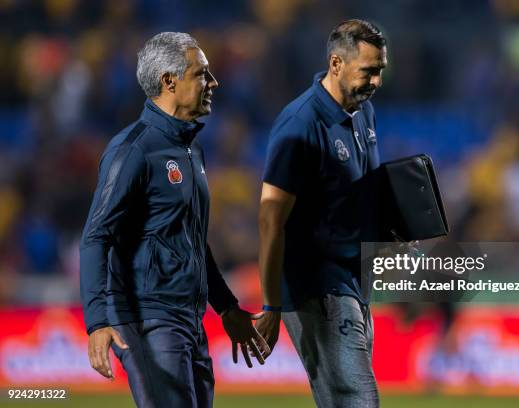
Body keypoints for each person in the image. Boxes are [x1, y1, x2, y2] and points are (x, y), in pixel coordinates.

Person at [80, 32, 268, 408]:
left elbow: (193, 242)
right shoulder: (133, 149)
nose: (213, 83)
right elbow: (96, 237)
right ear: (169, 81)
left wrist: (227, 308)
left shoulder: (191, 150)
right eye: (202, 74)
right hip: (146, 319)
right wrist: (97, 320)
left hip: (188, 320)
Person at [256, 19, 387, 407]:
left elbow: (361, 194)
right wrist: (271, 304)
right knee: (359, 402)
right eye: (368, 71)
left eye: (380, 70)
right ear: (336, 64)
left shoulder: (363, 113)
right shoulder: (300, 124)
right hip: (317, 287)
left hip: (354, 284)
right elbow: (269, 218)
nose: (376, 81)